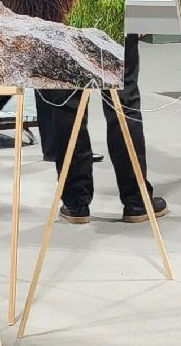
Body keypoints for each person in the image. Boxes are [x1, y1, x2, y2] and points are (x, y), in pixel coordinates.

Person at [35, 35, 166, 224]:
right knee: (123, 102)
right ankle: (137, 200)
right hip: (119, 24)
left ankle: (75, 204)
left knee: (68, 103)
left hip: (64, 26)